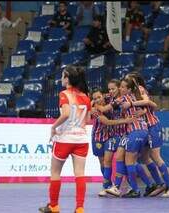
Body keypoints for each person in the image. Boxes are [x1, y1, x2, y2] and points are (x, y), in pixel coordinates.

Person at [39, 66, 91, 213]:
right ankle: (80, 208)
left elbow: (66, 113)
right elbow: (87, 119)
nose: (61, 79)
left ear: (68, 79)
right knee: (80, 174)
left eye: (63, 76)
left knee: (55, 172)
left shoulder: (64, 94)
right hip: (81, 140)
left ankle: (54, 206)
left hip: (65, 139)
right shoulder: (86, 97)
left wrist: (54, 127)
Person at [125, 72, 169, 197]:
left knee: (155, 156)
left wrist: (132, 104)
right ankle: (159, 183)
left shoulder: (140, 89)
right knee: (144, 157)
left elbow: (148, 102)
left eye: (128, 80)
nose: (126, 82)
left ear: (135, 82)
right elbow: (152, 104)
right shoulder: (129, 94)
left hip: (152, 126)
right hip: (144, 128)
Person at [90, 88, 137, 196]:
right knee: (102, 162)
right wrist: (125, 120)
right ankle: (107, 185)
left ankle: (115, 186)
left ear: (103, 95)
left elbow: (115, 95)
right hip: (97, 138)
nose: (97, 100)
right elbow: (107, 122)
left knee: (108, 160)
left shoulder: (108, 100)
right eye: (94, 99)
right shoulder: (95, 109)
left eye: (99, 97)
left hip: (110, 137)